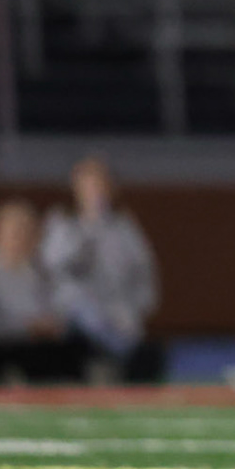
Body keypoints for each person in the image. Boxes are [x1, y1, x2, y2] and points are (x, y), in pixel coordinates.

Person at [40, 155, 165, 382]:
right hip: (75, 320)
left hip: (120, 315)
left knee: (140, 347)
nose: (95, 191)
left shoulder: (125, 228)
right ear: (76, 188)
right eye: (88, 185)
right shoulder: (63, 225)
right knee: (86, 315)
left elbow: (143, 272)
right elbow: (56, 271)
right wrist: (89, 230)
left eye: (100, 184)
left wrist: (136, 309)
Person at [0, 198, 89, 383]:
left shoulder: (40, 272)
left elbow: (58, 311)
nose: (22, 239)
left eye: (29, 232)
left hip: (29, 346)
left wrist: (53, 325)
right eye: (16, 232)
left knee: (69, 353)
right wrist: (29, 327)